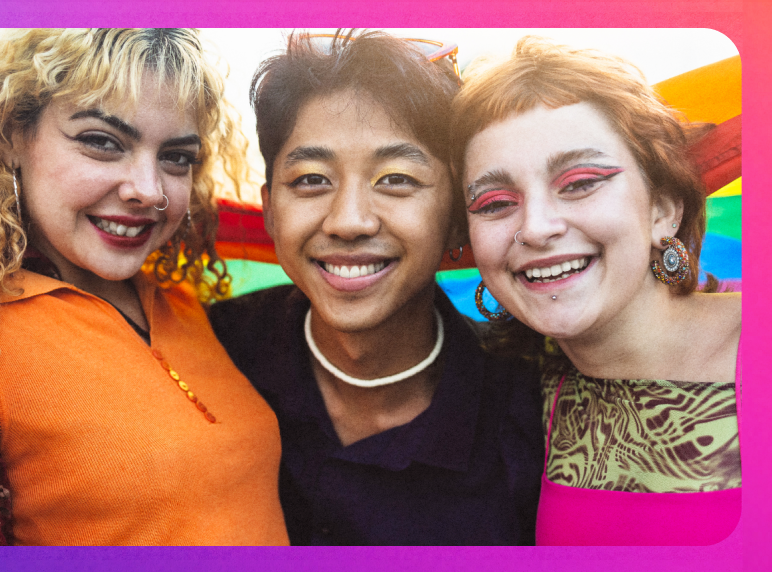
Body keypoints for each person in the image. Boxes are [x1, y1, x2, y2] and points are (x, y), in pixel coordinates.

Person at [0, 28, 288, 546]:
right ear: (11, 136)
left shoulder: (184, 302)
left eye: (176, 157)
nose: (148, 191)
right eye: (102, 143)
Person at [207, 30, 544, 546]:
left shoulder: (532, 413)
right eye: (311, 180)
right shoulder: (207, 355)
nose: (349, 221)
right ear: (270, 209)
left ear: (458, 216)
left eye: (396, 179)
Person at [451, 37, 742, 546]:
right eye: (496, 203)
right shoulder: (512, 384)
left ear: (664, 208)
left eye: (581, 182)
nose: (536, 228)